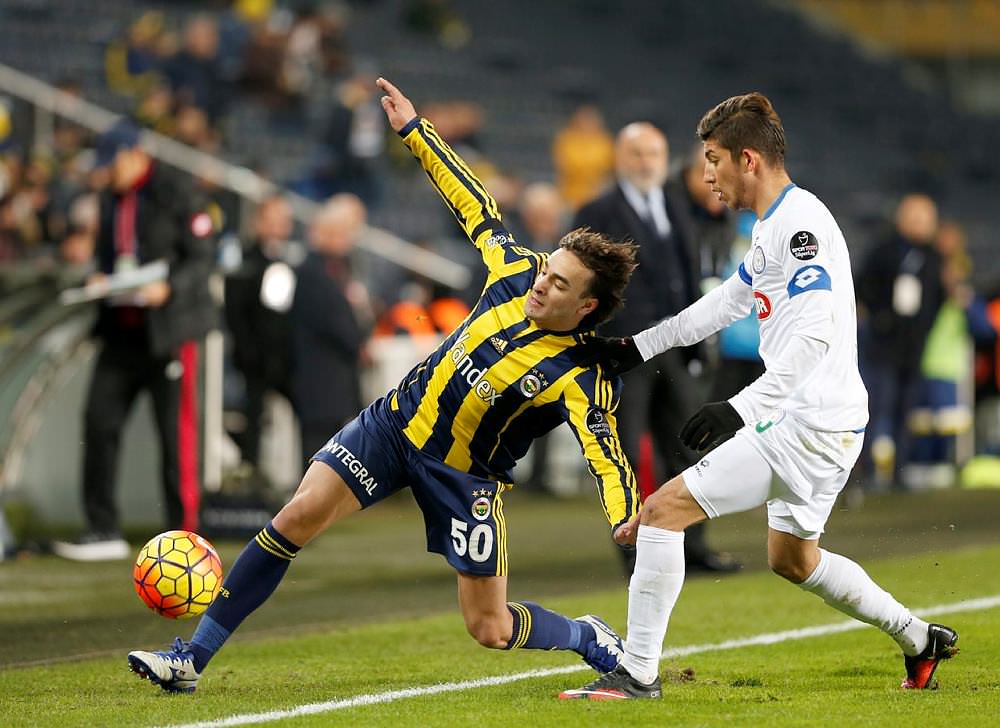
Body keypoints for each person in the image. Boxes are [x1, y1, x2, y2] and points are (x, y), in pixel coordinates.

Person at [126, 77, 640, 693]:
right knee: (295, 516)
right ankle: (191, 658)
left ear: (586, 307)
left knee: (490, 627)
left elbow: (605, 453)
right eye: (548, 269)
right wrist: (416, 132)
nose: (541, 283)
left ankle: (586, 635)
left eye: (559, 284)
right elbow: (472, 202)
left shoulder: (580, 374)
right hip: (394, 425)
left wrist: (625, 516)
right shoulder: (514, 269)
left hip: (464, 479)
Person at [561, 92, 958, 700]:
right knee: (793, 559)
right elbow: (725, 303)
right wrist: (638, 347)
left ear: (747, 159)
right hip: (827, 423)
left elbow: (815, 336)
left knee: (663, 511)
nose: (706, 176)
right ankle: (918, 637)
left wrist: (738, 409)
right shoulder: (776, 224)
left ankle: (637, 673)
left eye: (713, 160)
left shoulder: (800, 228)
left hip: (805, 425)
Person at [574, 121, 739, 575]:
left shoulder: (674, 205)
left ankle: (691, 546)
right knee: (624, 455)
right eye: (637, 153)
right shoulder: (596, 211)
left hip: (674, 348)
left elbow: (688, 274)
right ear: (619, 158)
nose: (646, 162)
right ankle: (633, 553)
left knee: (690, 445)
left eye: (654, 154)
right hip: (623, 352)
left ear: (665, 161)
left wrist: (696, 340)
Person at [53, 119, 218, 561]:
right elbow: (113, 256)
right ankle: (102, 528)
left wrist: (170, 288)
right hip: (121, 332)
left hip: (169, 332)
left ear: (137, 154)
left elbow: (203, 258)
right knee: (98, 422)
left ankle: (185, 537)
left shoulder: (177, 189)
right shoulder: (111, 198)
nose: (109, 173)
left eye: (114, 164)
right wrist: (100, 277)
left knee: (175, 436)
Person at [856, 193, 944, 489]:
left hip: (913, 348)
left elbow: (938, 297)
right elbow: (863, 285)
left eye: (926, 219)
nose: (921, 224)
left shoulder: (934, 258)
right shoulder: (884, 251)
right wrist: (881, 318)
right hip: (882, 346)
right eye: (916, 217)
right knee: (875, 408)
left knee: (905, 412)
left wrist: (924, 327)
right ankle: (864, 472)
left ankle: (899, 473)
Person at [290, 193, 373, 461]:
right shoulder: (313, 272)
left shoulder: (340, 268)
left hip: (337, 385)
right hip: (321, 385)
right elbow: (336, 324)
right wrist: (357, 338)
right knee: (318, 458)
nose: (350, 239)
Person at [224, 194, 303, 469]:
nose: (278, 227)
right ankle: (251, 473)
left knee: (307, 411)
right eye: (272, 220)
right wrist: (248, 351)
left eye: (283, 221)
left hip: (287, 357)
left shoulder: (295, 261)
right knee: (253, 416)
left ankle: (313, 474)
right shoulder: (244, 261)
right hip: (255, 356)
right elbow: (235, 312)